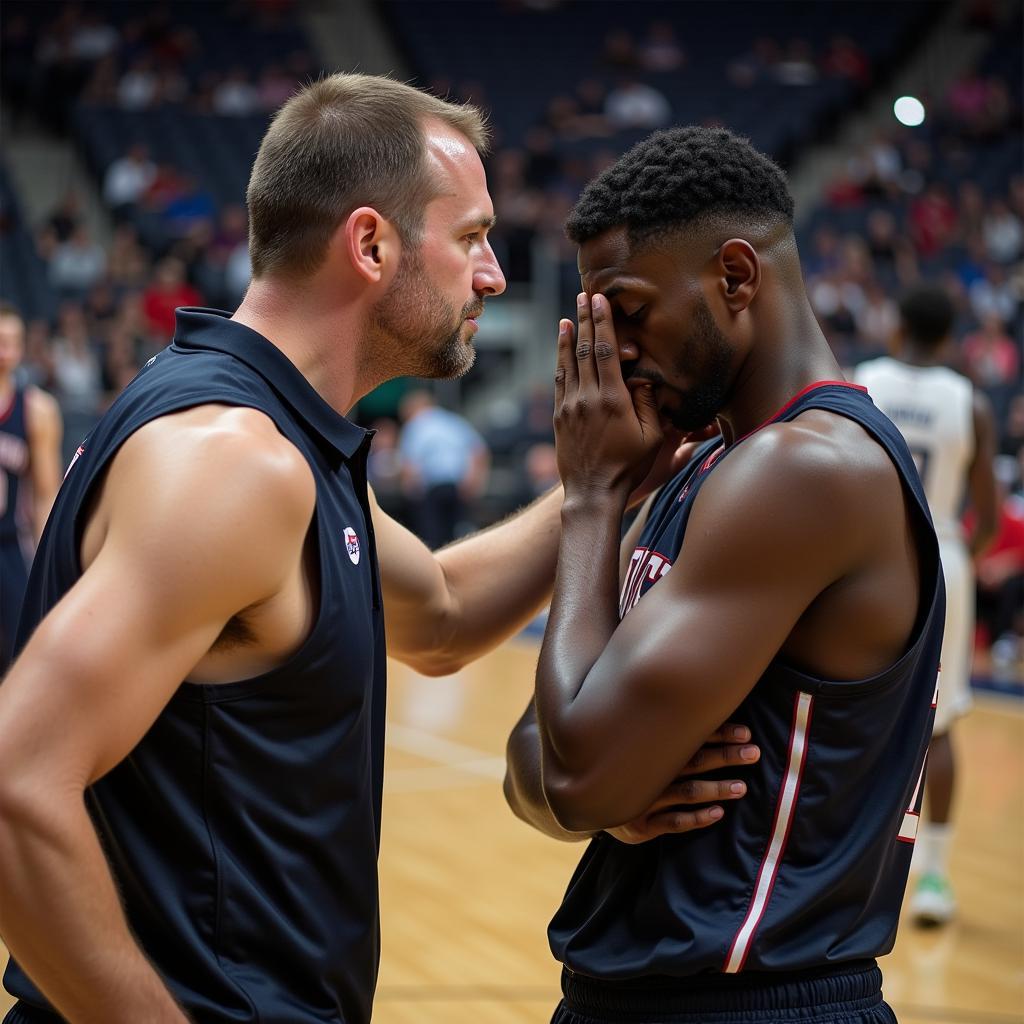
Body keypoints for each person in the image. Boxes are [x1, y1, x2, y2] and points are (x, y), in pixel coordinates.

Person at [0, 76, 755, 1024]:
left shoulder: (265, 428)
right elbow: (15, 784)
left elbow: (439, 611)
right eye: (473, 238)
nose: (492, 276)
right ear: (370, 244)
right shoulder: (237, 463)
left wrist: (607, 482)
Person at [504, 126, 945, 1024]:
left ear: (735, 279)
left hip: (755, 1000)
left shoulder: (805, 473)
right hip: (660, 994)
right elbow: (532, 758)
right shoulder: (710, 466)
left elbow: (576, 771)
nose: (611, 351)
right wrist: (601, 791)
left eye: (626, 311)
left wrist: (591, 499)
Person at [856, 286, 998, 925]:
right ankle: (934, 880)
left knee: (850, 704)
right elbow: (990, 517)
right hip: (941, 555)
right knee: (941, 721)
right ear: (948, 340)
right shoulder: (969, 402)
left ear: (895, 326)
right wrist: (954, 550)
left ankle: (844, 862)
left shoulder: (859, 380)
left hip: (861, 549)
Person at [0, 305, 62, 675]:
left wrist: (47, 561)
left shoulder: (37, 408)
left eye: (11, 342)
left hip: (7, 544)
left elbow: (45, 494)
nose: (5, 350)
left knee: (23, 653)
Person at [398, 388, 489, 548]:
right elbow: (479, 451)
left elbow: (409, 464)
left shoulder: (416, 424)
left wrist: (411, 494)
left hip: (432, 491)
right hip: (459, 487)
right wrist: (474, 482)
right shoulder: (453, 421)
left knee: (433, 539)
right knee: (458, 538)